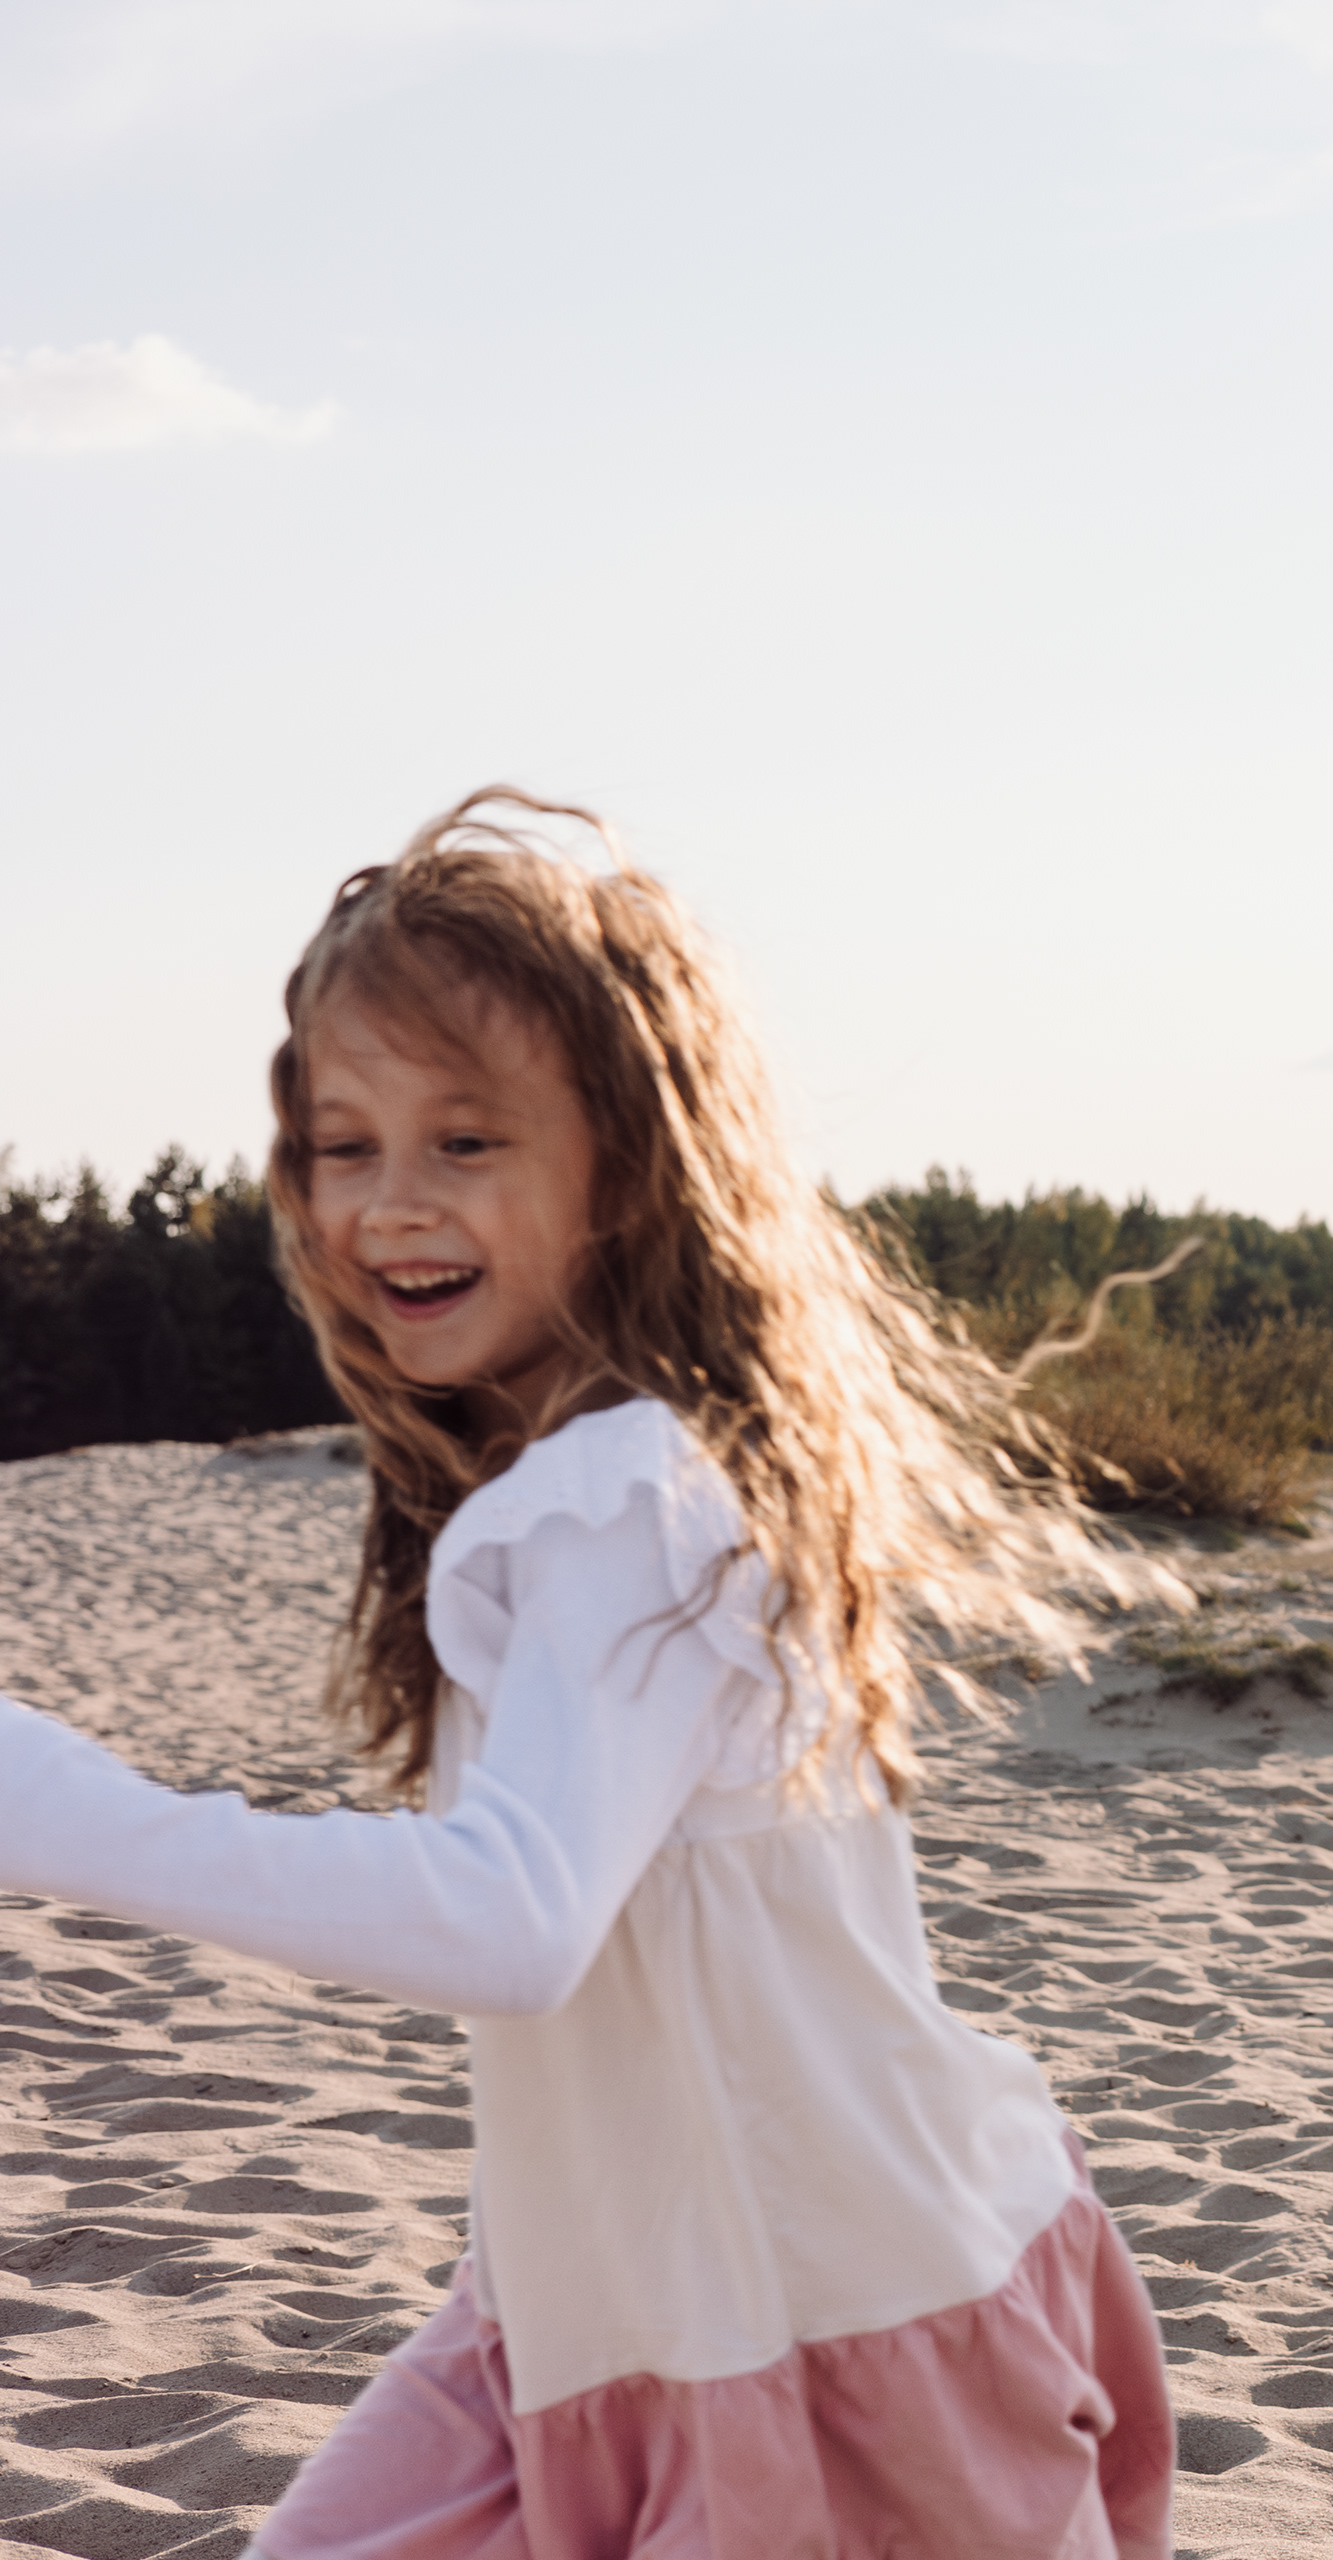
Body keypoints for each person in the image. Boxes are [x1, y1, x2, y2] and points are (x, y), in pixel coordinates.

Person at [0, 794, 1177, 2556]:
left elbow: (517, 1921)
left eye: (467, 1139)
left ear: (629, 1169)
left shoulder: (628, 1500)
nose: (390, 1204)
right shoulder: (600, 1477)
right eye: (343, 1145)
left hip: (806, 2319)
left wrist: (62, 1810)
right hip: (592, 2295)